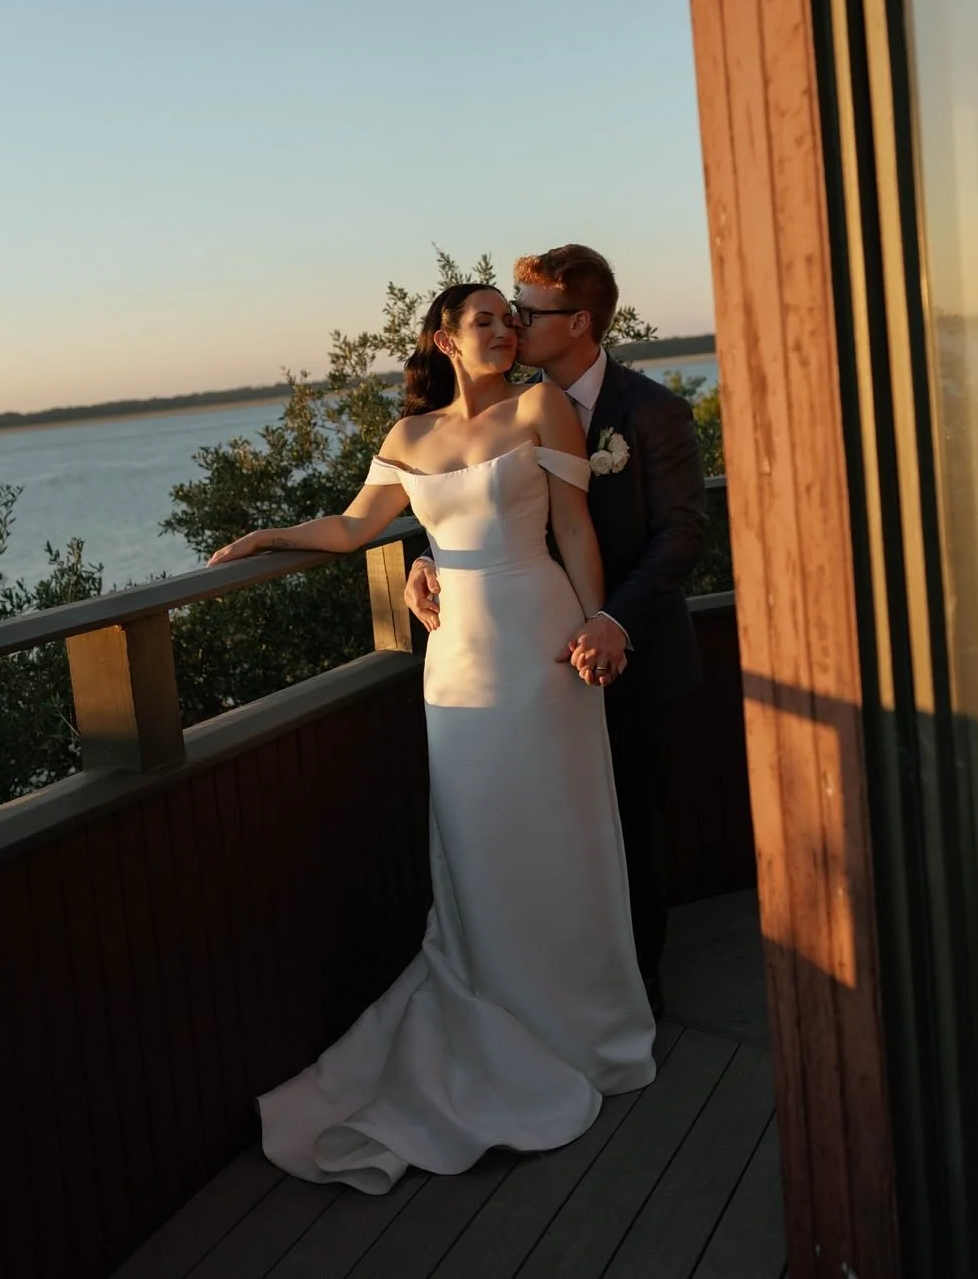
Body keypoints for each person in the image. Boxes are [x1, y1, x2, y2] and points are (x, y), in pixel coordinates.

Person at [208, 281, 655, 1194]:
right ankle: (493, 1004)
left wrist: (598, 620)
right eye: (484, 319)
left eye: (510, 318)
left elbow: (573, 529)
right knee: (479, 841)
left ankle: (587, 1027)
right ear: (444, 340)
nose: (504, 329)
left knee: (563, 834)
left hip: (541, 647)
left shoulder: (542, 410)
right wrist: (268, 535)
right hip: (453, 665)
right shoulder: (407, 439)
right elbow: (355, 525)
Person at [405, 246, 708, 1019]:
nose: (512, 322)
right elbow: (465, 490)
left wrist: (611, 621)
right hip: (530, 662)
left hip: (631, 651)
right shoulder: (516, 408)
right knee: (544, 832)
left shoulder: (651, 411)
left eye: (526, 313)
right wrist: (421, 559)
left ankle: (634, 1002)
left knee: (629, 832)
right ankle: (541, 994)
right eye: (504, 312)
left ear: (577, 323)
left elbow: (681, 536)